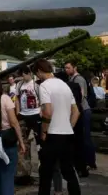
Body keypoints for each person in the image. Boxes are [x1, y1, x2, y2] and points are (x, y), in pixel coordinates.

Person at [37, 59, 81, 195]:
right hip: (67, 133)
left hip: (52, 134)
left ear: (39, 71)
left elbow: (47, 112)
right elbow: (76, 111)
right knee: (68, 170)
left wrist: (44, 130)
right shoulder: (64, 85)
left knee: (46, 172)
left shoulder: (44, 86)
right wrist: (70, 126)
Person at [65, 61, 96, 170]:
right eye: (65, 68)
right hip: (78, 109)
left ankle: (90, 162)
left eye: (68, 68)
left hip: (83, 110)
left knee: (85, 136)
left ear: (75, 68)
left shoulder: (79, 79)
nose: (66, 70)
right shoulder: (71, 79)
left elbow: (82, 95)